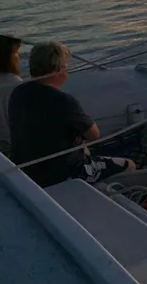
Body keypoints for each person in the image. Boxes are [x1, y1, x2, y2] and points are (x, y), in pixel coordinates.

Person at [9, 41, 135, 187]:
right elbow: (94, 135)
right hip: (61, 174)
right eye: (66, 66)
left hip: (26, 169)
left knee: (85, 149)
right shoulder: (63, 101)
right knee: (129, 164)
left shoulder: (18, 92)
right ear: (58, 69)